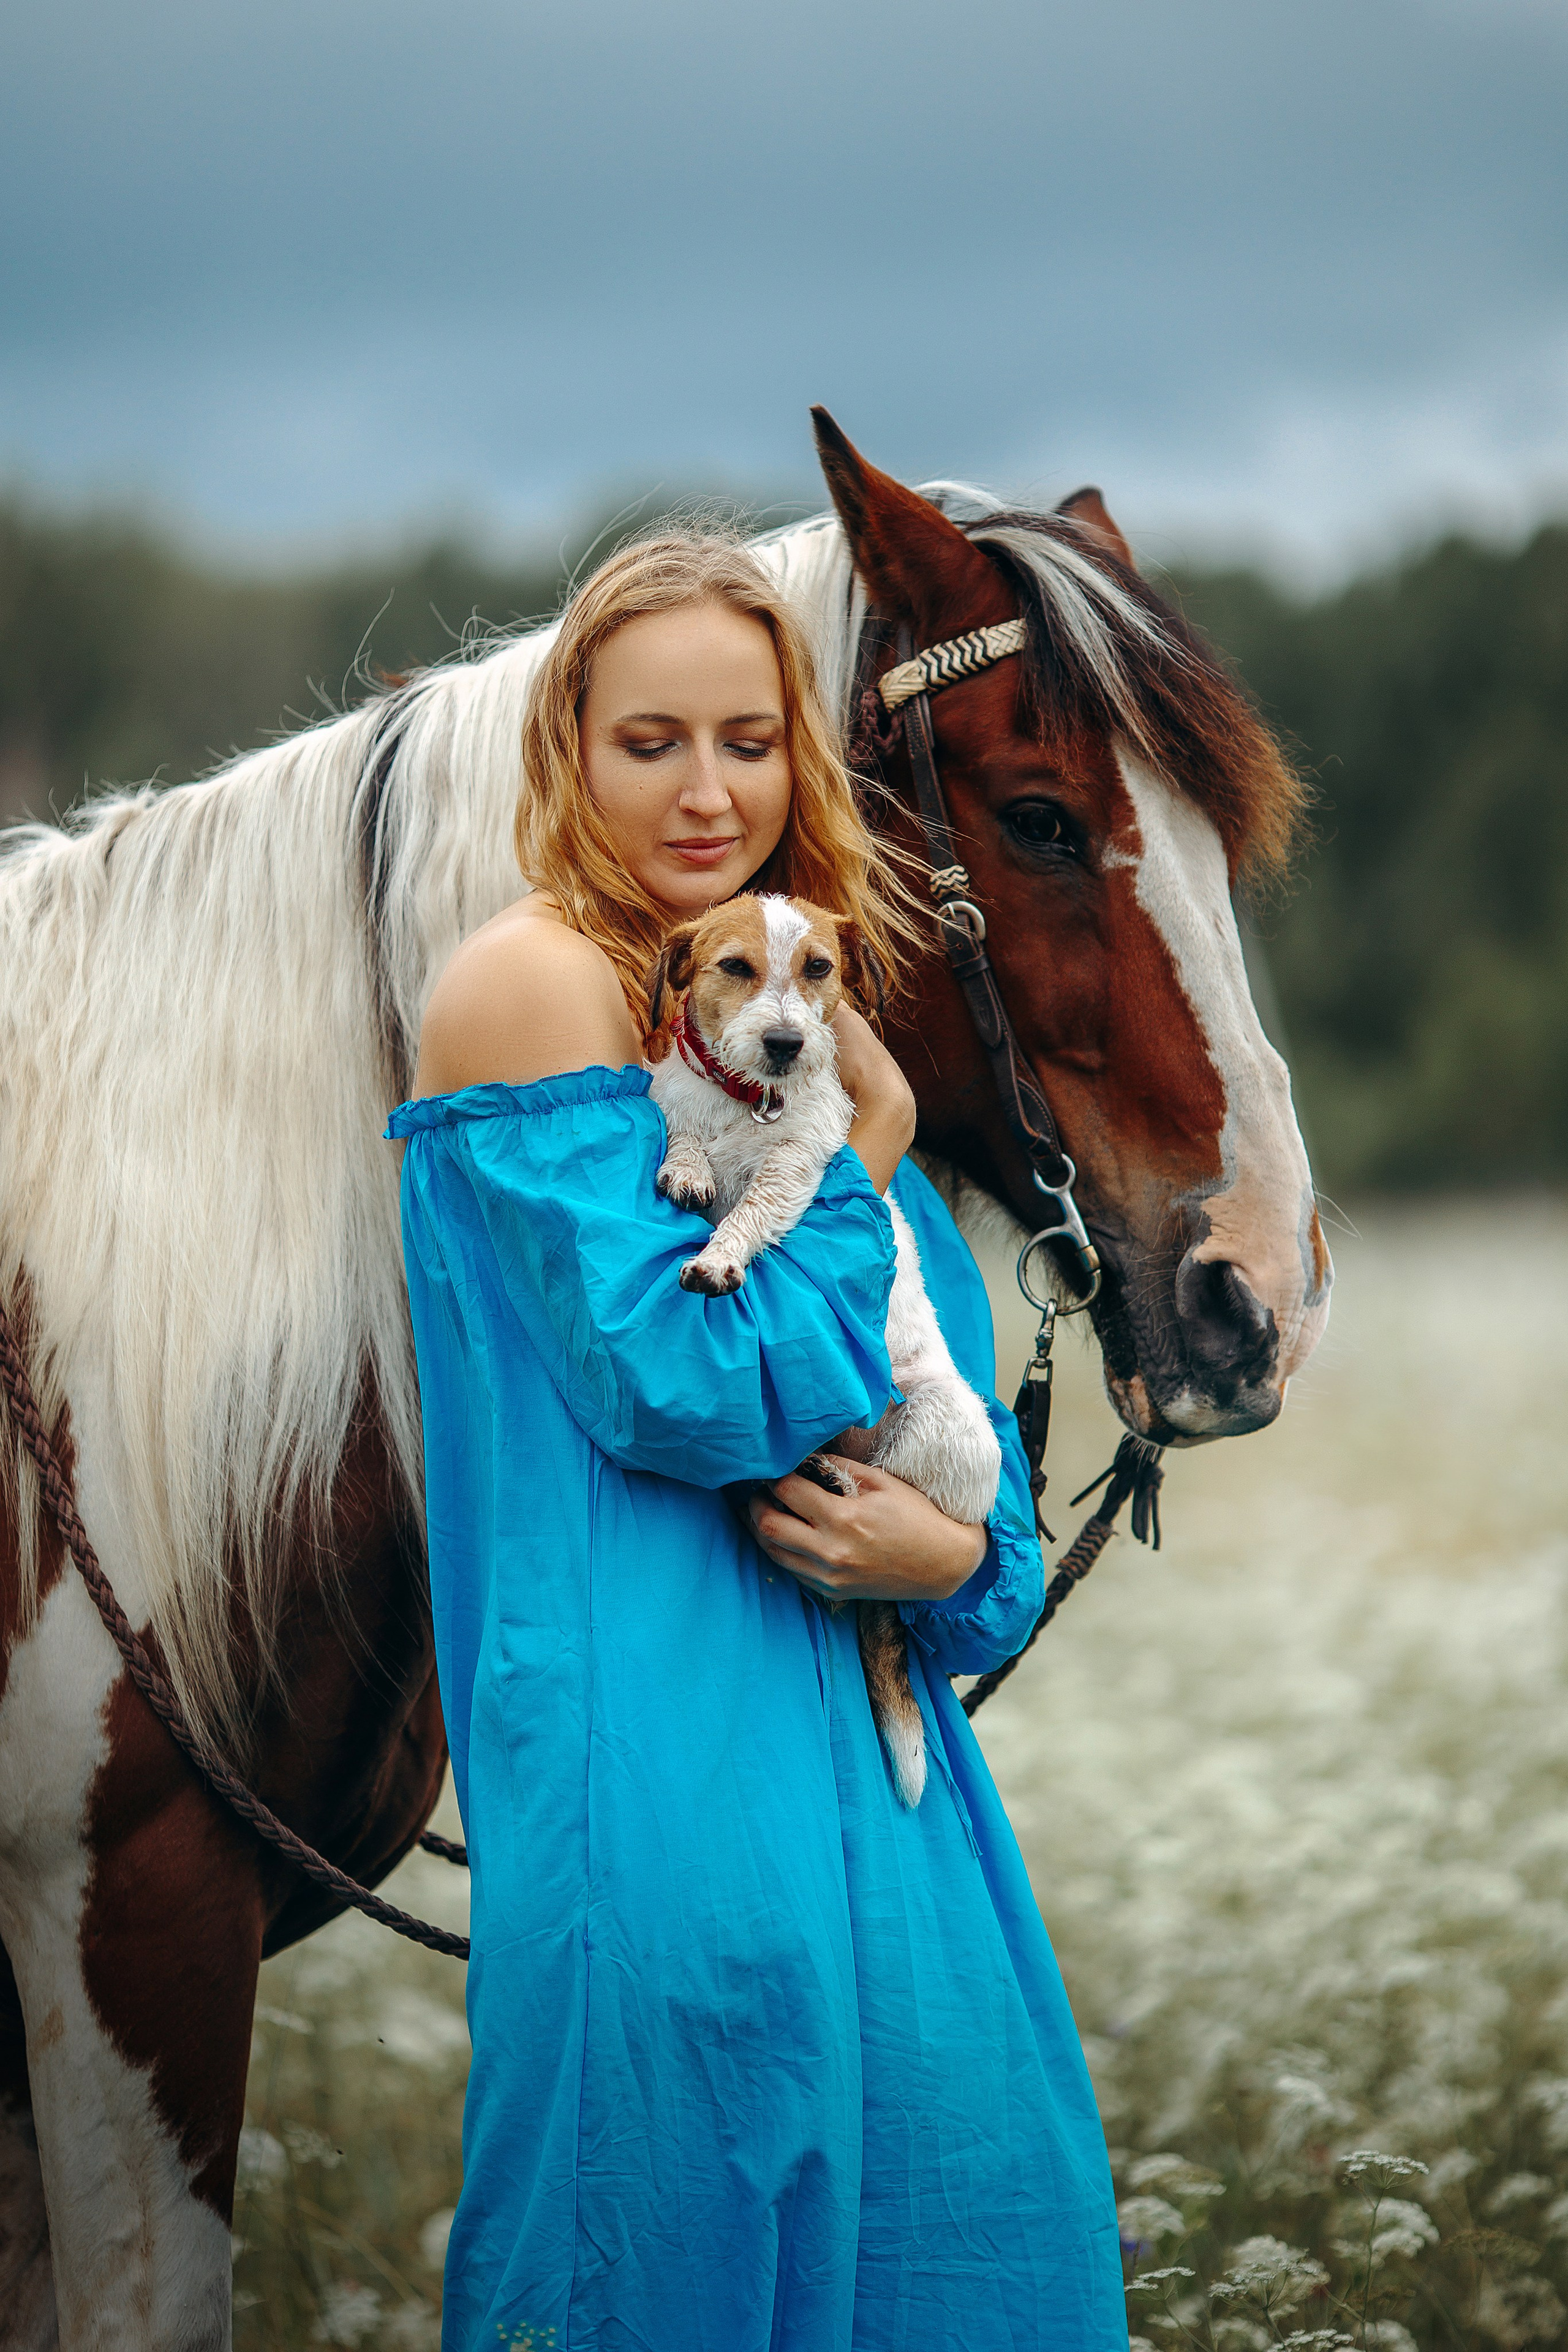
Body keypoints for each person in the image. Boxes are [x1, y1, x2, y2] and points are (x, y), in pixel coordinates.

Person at [388, 533, 1123, 2350]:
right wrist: (862, 1157)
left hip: (892, 1801)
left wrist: (942, 1560)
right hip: (663, 1777)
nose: (707, 791)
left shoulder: (802, 1022)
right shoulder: (536, 988)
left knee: (977, 2272)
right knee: (668, 2272)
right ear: (568, 752)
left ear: (804, 749)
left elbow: (991, 1544)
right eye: (650, 743)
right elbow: (687, 1387)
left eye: (746, 736)